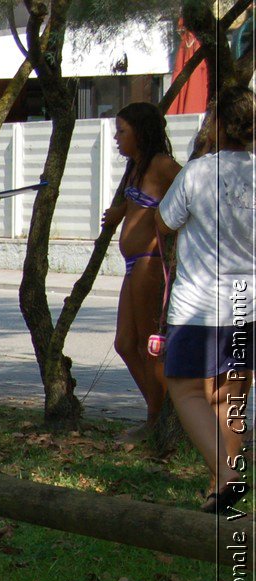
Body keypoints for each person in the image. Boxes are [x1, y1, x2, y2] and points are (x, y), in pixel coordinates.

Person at [157, 88, 256, 513]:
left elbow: (164, 221)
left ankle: (228, 475)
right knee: (231, 396)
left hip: (199, 302)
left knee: (185, 389)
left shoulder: (198, 172)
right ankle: (221, 487)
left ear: (215, 124)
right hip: (248, 301)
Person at [101, 102, 180, 438]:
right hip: (132, 265)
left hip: (150, 264)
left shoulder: (162, 165)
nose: (116, 137)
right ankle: (157, 413)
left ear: (141, 132)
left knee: (149, 345)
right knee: (124, 342)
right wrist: (121, 211)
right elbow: (139, 204)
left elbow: (188, 195)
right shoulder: (136, 166)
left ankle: (156, 422)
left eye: (122, 131)